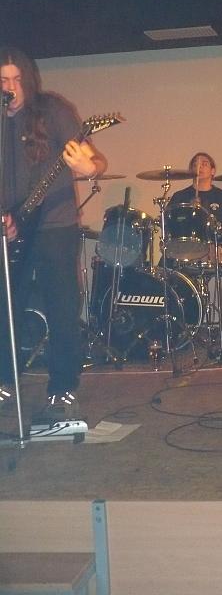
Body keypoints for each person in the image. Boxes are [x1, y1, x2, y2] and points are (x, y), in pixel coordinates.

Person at [0, 46, 107, 412]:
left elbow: (94, 160)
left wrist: (89, 168)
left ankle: (62, 383)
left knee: (61, 306)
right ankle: (4, 378)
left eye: (17, 79)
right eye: (3, 80)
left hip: (55, 225)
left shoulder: (52, 110)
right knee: (6, 307)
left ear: (28, 80)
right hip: (10, 227)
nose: (11, 87)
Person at [167, 152, 222, 342]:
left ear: (213, 171)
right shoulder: (180, 197)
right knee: (163, 270)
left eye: (205, 163)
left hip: (218, 250)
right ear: (191, 170)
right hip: (187, 252)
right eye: (195, 163)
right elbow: (169, 229)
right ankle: (176, 330)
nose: (200, 166)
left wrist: (220, 227)